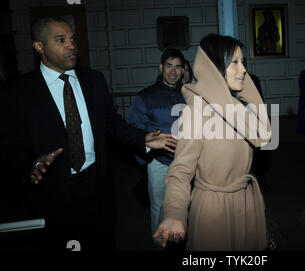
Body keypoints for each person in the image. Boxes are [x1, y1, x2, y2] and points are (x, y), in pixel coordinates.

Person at [0, 16, 176, 251]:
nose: (71, 45)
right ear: (39, 47)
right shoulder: (20, 92)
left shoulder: (93, 80)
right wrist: (29, 166)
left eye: (72, 39)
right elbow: (11, 144)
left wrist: (142, 139)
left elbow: (112, 124)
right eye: (61, 40)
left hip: (97, 186)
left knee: (101, 242)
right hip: (53, 192)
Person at [153, 34, 271, 250]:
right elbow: (180, 171)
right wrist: (175, 212)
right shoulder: (196, 112)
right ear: (214, 68)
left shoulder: (239, 107)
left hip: (245, 203)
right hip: (214, 211)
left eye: (243, 62)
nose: (243, 69)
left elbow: (263, 133)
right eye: (234, 62)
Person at [127, 48, 186, 246]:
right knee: (159, 205)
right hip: (158, 162)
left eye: (178, 67)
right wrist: (147, 159)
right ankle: (159, 243)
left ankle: (181, 240)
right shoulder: (145, 96)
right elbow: (135, 130)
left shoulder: (189, 95)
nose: (173, 71)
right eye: (169, 65)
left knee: (184, 203)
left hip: (186, 161)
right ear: (161, 67)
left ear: (183, 70)